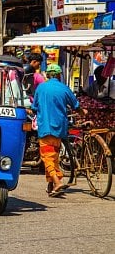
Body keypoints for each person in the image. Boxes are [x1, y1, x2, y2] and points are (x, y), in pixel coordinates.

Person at [30, 64, 87, 197]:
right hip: (59, 128)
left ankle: (56, 181)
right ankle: (51, 185)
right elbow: (76, 105)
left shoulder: (41, 87)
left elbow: (34, 107)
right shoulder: (64, 88)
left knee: (47, 156)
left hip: (45, 127)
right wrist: (82, 112)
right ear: (60, 75)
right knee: (53, 156)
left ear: (48, 75)